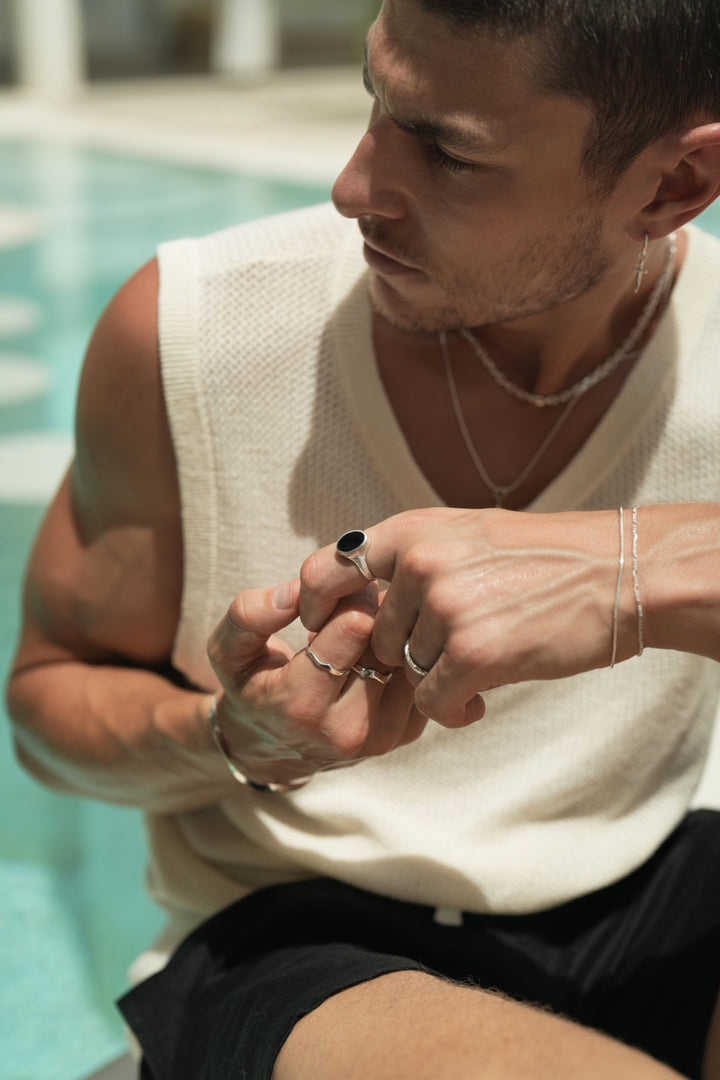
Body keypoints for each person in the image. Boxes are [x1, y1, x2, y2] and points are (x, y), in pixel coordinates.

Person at [6, 0, 720, 1076]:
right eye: (380, 103)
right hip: (298, 932)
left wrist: (631, 574)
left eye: (448, 153)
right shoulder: (197, 329)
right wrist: (229, 736)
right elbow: (48, 703)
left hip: (657, 885)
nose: (354, 187)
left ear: (673, 187)